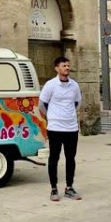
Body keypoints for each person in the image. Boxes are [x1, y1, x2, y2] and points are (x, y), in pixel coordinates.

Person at [40, 56, 83, 202]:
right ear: (57, 68)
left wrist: (68, 115)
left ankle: (69, 188)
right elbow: (42, 105)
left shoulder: (74, 86)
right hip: (55, 128)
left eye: (68, 65)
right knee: (54, 158)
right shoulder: (50, 85)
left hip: (71, 128)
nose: (67, 68)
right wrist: (52, 117)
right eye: (64, 65)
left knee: (70, 158)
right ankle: (53, 188)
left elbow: (77, 103)